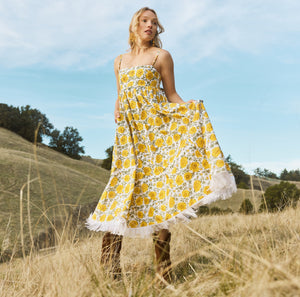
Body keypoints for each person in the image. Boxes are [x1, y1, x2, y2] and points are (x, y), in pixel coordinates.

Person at [86, 7, 237, 282]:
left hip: (157, 136)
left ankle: (163, 272)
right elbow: (121, 96)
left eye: (154, 22)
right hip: (130, 139)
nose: (150, 26)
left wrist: (189, 110)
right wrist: (118, 109)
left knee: (160, 198)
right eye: (144, 21)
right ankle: (110, 272)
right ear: (134, 26)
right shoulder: (119, 61)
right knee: (120, 196)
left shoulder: (161, 56)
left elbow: (171, 94)